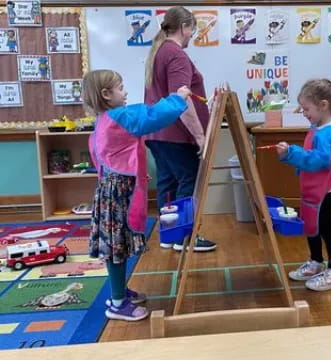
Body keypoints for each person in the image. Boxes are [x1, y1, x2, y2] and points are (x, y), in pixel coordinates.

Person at [83, 69, 190, 321]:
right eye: (120, 88)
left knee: (117, 246)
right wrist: (179, 98)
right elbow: (151, 117)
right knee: (116, 248)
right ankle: (118, 303)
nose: (126, 91)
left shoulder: (103, 119)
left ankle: (120, 292)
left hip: (111, 191)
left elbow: (107, 158)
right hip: (116, 195)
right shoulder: (120, 116)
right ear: (106, 94)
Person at [144, 6, 216, 252]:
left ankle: (169, 235)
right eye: (192, 30)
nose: (192, 35)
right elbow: (181, 100)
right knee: (187, 179)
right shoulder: (176, 55)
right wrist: (200, 136)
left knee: (168, 182)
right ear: (185, 28)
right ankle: (184, 237)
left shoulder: (160, 51)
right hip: (175, 135)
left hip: (157, 133)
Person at [275, 79, 331, 291]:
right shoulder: (319, 127)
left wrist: (292, 153)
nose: (304, 113)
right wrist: (293, 155)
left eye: (307, 108)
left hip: (324, 191)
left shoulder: (328, 131)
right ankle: (316, 261)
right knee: (312, 226)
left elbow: (320, 160)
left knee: (326, 229)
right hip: (314, 189)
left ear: (323, 105)